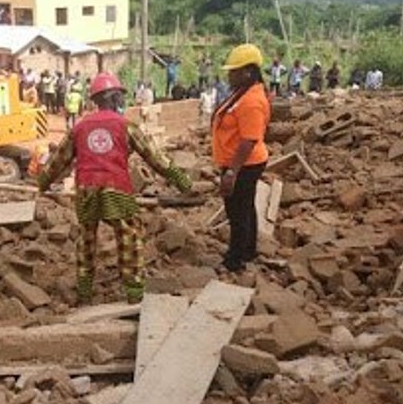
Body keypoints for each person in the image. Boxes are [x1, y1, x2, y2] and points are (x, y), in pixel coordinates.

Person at [37, 72, 192, 304]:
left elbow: (59, 160)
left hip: (86, 189)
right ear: (112, 98)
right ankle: (134, 293)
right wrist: (182, 181)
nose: (122, 101)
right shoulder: (126, 126)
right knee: (128, 238)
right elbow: (155, 157)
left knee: (86, 239)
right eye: (119, 96)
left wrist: (42, 183)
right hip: (116, 188)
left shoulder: (80, 128)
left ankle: (84, 292)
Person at [213, 44, 271, 272]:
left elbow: (249, 140)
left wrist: (231, 172)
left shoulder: (251, 101)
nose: (229, 75)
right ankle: (248, 250)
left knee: (237, 211)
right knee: (246, 207)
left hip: (244, 163)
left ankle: (235, 260)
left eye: (234, 71)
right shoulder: (244, 93)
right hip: (240, 161)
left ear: (248, 72)